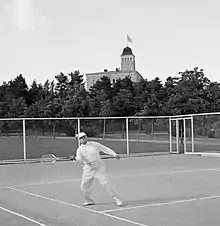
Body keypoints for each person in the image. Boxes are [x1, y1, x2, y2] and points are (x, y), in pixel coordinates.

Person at [74, 132, 123, 207]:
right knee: (83, 186)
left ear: (86, 137)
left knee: (106, 183)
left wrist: (114, 154)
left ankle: (117, 199)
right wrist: (75, 159)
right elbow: (80, 160)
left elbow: (105, 149)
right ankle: (89, 201)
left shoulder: (94, 144)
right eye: (81, 138)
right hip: (88, 169)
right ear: (79, 140)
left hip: (99, 167)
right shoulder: (79, 150)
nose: (83, 139)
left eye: (84, 137)